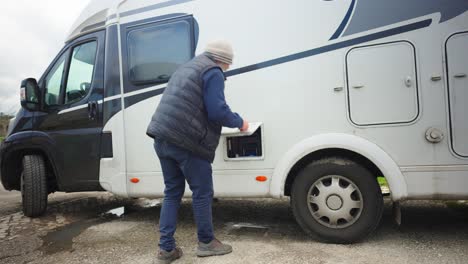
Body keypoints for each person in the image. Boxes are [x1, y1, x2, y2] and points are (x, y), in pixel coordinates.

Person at [146, 40, 249, 263]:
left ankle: (166, 250)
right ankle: (206, 242)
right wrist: (240, 122)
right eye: (228, 65)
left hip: (162, 137)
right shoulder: (212, 71)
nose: (227, 70)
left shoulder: (187, 67)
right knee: (202, 192)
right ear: (223, 60)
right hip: (186, 142)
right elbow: (217, 110)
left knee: (172, 192)